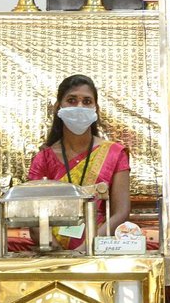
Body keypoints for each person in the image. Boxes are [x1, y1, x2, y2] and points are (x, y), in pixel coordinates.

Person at [26, 74, 133, 244]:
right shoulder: (44, 158)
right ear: (57, 107)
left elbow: (120, 213)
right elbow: (33, 216)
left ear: (96, 109)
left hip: (100, 252)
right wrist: (58, 254)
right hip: (53, 256)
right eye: (72, 100)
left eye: (87, 101)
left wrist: (88, 247)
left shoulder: (115, 153)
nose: (80, 106)